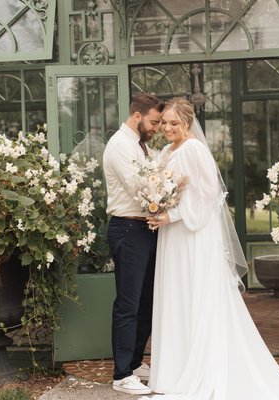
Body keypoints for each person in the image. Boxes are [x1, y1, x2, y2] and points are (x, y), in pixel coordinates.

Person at [144, 97, 279, 400]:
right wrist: (154, 203)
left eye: (175, 122)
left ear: (187, 122)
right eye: (164, 123)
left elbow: (208, 193)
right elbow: (163, 187)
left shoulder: (194, 149)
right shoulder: (163, 151)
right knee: (175, 296)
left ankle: (198, 371)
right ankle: (173, 372)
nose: (168, 128)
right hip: (171, 238)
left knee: (194, 296)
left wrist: (170, 214)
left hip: (191, 235)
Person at [103, 93, 164, 395]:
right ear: (137, 116)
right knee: (128, 303)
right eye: (154, 122)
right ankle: (122, 373)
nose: (157, 127)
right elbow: (142, 189)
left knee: (147, 302)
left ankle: (137, 361)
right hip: (127, 228)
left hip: (147, 230)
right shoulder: (119, 146)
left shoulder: (143, 146)